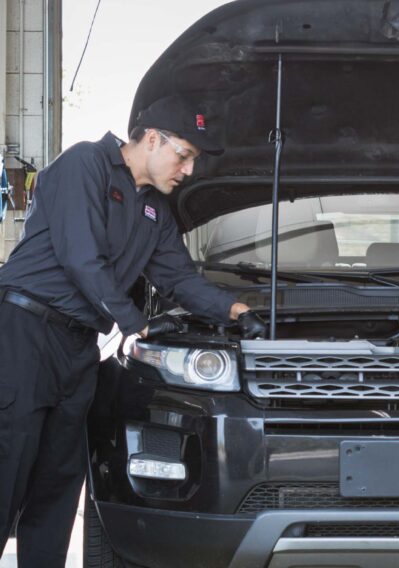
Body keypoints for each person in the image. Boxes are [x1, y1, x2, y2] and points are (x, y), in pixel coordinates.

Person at [0, 95, 263, 566]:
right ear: (153, 139)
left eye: (193, 161)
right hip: (22, 333)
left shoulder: (154, 213)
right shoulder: (85, 164)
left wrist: (237, 310)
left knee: (56, 488)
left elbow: (179, 280)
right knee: (6, 471)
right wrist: (134, 322)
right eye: (183, 155)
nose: (187, 170)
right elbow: (82, 258)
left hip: (79, 348)